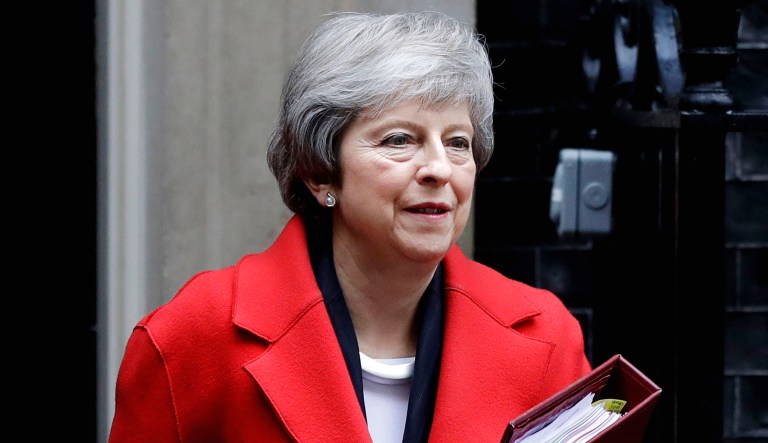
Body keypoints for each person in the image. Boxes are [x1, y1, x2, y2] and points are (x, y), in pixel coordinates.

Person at [108, 10, 592, 443]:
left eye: (458, 143)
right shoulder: (195, 336)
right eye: (400, 139)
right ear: (320, 173)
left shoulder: (548, 337)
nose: (439, 168)